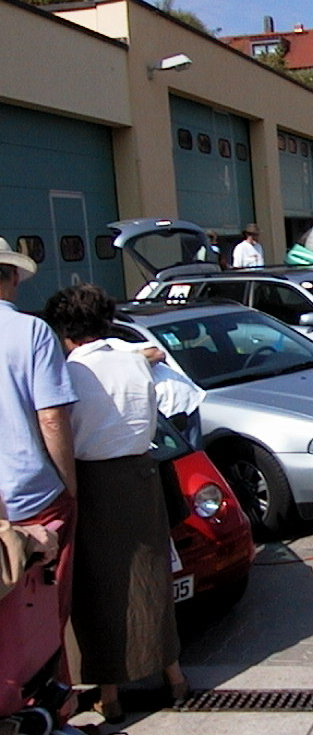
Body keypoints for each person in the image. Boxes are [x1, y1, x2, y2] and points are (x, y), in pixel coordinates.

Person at [43, 285, 187, 723]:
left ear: (66, 332)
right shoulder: (132, 356)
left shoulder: (69, 371)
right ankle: (175, 676)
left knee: (102, 587)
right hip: (143, 473)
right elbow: (150, 359)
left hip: (96, 480)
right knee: (152, 577)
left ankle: (110, 693)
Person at [0, 238, 78, 657]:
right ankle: (50, 702)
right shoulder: (31, 332)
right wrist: (69, 483)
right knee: (44, 607)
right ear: (12, 277)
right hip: (33, 496)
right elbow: (52, 417)